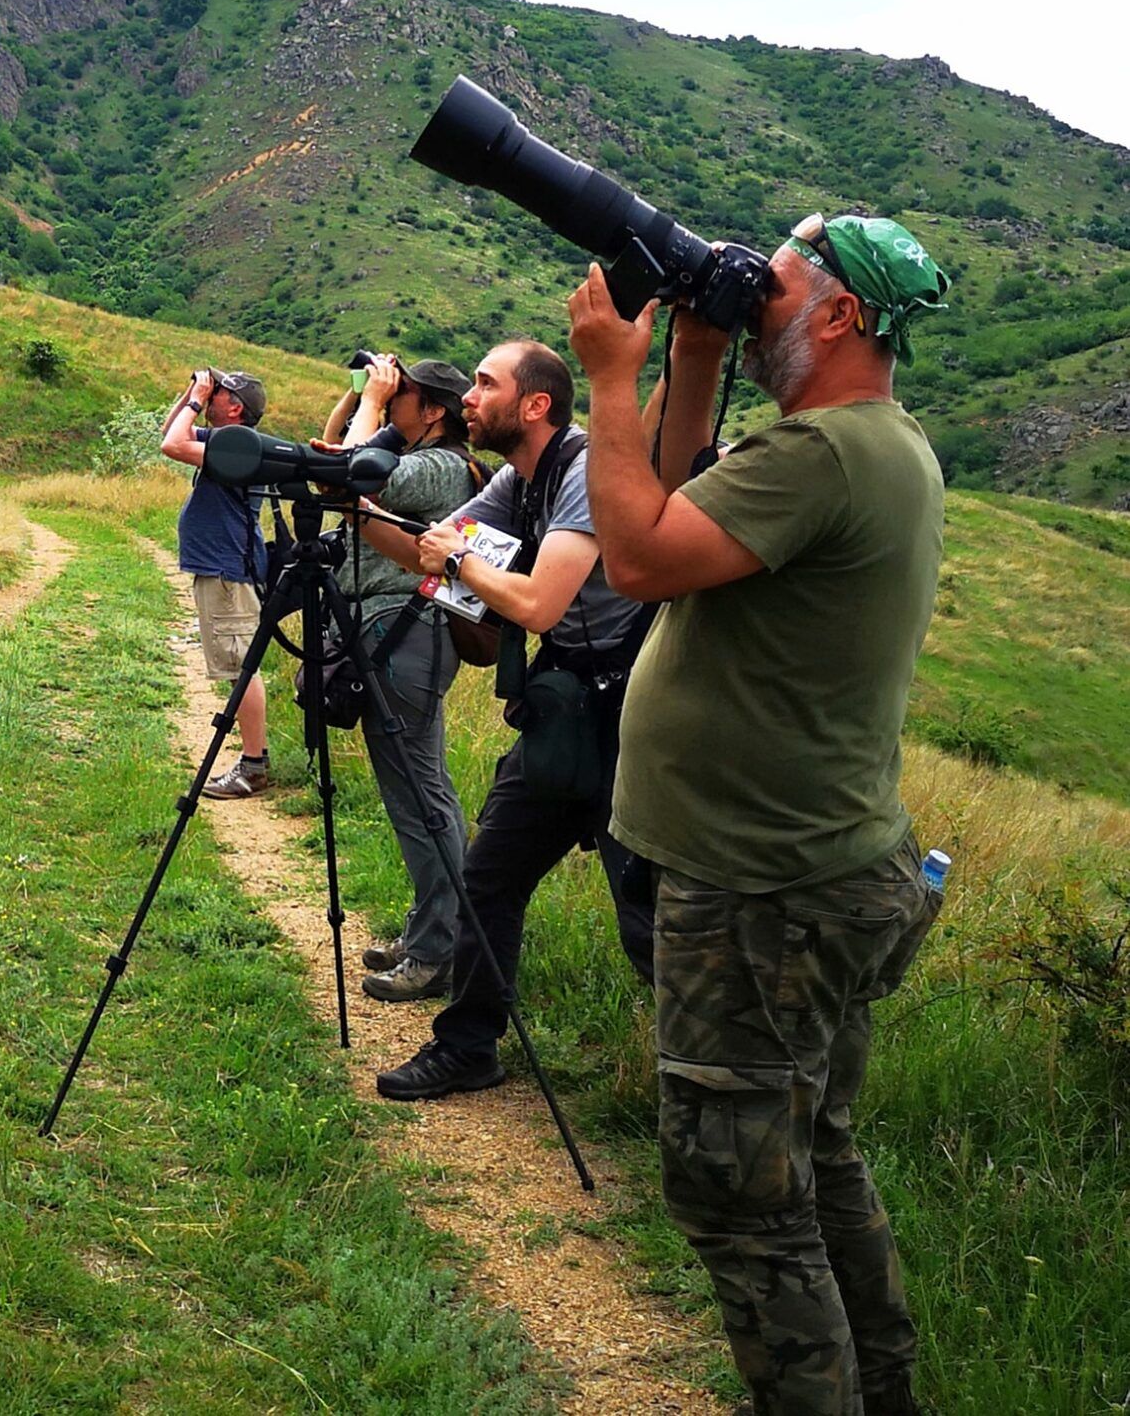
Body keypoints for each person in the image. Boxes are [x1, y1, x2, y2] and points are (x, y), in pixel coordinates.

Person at [566, 215, 952, 1416]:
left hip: (762, 894)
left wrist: (609, 378)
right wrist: (688, 361)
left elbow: (634, 552)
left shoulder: (822, 457)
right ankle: (876, 1394)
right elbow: (673, 494)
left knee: (740, 1196)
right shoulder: (866, 444)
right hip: (819, 871)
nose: (751, 300)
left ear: (838, 315)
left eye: (773, 289)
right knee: (814, 1157)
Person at [372, 338, 656, 1101]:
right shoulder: (515, 484)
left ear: (534, 405)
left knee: (649, 915)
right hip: (566, 710)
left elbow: (535, 603)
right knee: (489, 876)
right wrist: (347, 499)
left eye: (485, 384)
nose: (469, 396)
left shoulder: (584, 473)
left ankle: (712, 1087)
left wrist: (457, 563)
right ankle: (468, 1048)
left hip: (634, 722)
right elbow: (421, 551)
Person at [326, 354, 485, 1001]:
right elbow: (336, 465)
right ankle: (431, 932)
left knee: (423, 797)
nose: (390, 403)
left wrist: (371, 405)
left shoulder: (442, 468)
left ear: (435, 411)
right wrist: (356, 393)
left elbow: (359, 474)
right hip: (391, 632)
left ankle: (437, 951)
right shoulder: (413, 458)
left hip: (407, 633)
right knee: (415, 792)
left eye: (401, 395)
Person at [161, 367, 272, 798]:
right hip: (220, 568)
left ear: (235, 407)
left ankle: (253, 765)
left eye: (218, 392)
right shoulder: (225, 440)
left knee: (241, 669)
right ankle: (253, 760)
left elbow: (173, 445)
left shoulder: (241, 449)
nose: (211, 395)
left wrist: (194, 402)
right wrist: (191, 395)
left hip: (229, 571)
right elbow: (168, 433)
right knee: (237, 667)